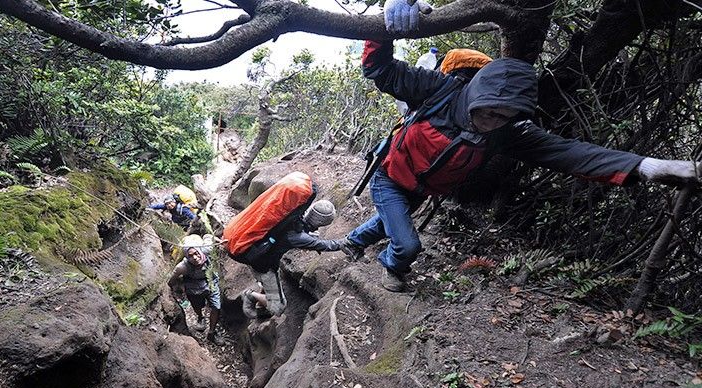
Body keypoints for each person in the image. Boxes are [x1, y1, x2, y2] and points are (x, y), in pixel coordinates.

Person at [341, 1, 701, 292]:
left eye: (503, 117)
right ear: (476, 95)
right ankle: (392, 266)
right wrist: (386, 25)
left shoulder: (507, 133)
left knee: (389, 221)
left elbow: (570, 154)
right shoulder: (438, 90)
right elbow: (380, 70)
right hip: (391, 177)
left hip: (423, 187)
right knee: (408, 244)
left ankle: (352, 243)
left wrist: (646, 166)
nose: (492, 121)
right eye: (488, 112)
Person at [241, 199, 345, 319]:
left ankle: (262, 304)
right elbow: (326, 245)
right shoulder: (299, 237)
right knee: (279, 307)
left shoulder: (293, 217)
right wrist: (348, 241)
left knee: (269, 280)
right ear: (321, 223)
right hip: (263, 266)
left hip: (255, 253)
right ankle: (250, 295)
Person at [168, 234, 225, 346]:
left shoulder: (207, 249)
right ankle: (200, 317)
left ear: (200, 251)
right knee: (197, 305)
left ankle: (212, 333)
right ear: (186, 257)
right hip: (193, 287)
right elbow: (172, 279)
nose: (194, 257)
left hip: (210, 281)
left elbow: (208, 236)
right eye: (190, 256)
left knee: (216, 306)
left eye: (196, 253)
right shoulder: (182, 267)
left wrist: (219, 241)